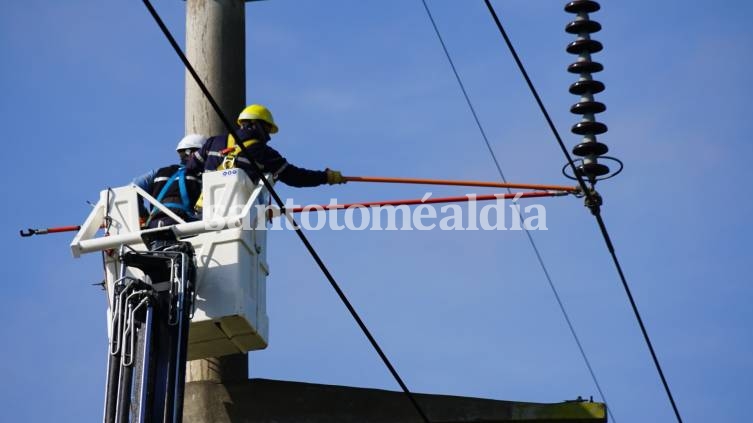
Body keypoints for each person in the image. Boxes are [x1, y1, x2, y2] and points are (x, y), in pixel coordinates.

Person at [185, 104, 346, 188]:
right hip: (239, 217)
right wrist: (326, 177)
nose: (268, 136)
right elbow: (296, 177)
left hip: (205, 213)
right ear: (256, 125)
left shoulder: (213, 142)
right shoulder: (264, 153)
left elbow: (190, 168)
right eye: (268, 128)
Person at [133, 134, 207, 228]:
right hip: (183, 225)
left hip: (154, 224)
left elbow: (134, 186)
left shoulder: (158, 172)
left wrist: (143, 215)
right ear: (193, 153)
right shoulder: (200, 177)